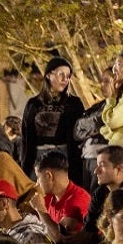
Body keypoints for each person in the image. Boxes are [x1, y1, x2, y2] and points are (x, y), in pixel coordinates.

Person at [20, 55, 85, 183]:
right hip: (38, 156)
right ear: (49, 75)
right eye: (61, 74)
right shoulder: (33, 104)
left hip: (64, 156)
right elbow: (26, 136)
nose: (65, 79)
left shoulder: (74, 103)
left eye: (68, 76)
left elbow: (79, 134)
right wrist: (25, 165)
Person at [29, 149, 91, 244]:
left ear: (49, 175)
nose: (36, 184)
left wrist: (40, 210)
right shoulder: (50, 196)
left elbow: (59, 239)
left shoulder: (76, 200)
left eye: (38, 177)